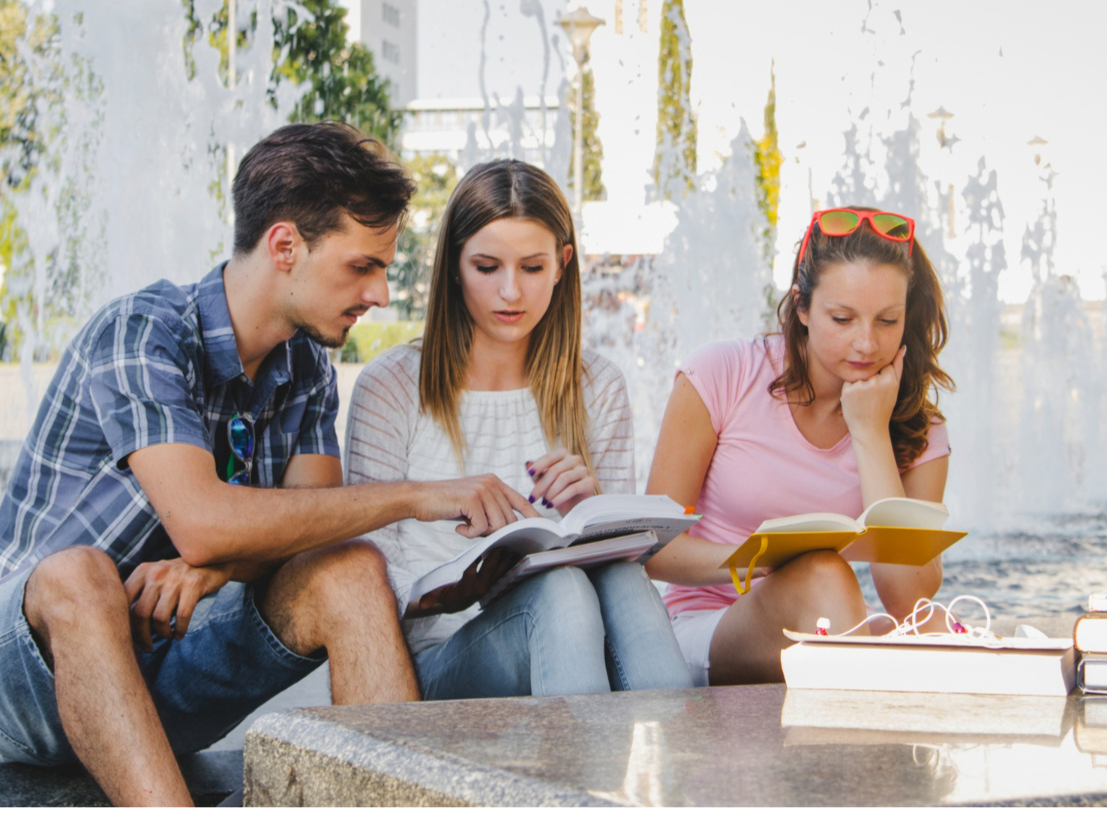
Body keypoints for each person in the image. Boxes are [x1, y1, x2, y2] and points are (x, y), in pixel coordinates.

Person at [0, 123, 538, 806]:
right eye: (363, 266)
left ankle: (395, 815)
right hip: (23, 674)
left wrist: (213, 566)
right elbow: (204, 522)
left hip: (163, 658)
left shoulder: (306, 366)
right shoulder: (141, 332)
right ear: (285, 246)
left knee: (350, 569)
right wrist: (417, 495)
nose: (380, 295)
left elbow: (313, 531)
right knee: (80, 574)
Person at [344, 160, 691, 699]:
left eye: (532, 268)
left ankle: (670, 767)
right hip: (438, 660)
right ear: (455, 266)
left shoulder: (598, 384)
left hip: (570, 651)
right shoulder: (392, 387)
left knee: (620, 578)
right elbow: (362, 588)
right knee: (559, 590)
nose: (511, 292)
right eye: (487, 267)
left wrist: (591, 509)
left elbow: (628, 572)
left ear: (562, 265)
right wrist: (461, 589)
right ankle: (585, 781)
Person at [643, 207, 955, 686]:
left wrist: (870, 433)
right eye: (843, 318)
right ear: (802, 307)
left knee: (928, 625)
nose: (866, 343)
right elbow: (656, 549)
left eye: (887, 321)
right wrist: (764, 561)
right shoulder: (722, 373)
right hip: (708, 629)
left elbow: (907, 597)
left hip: (829, 626)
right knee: (822, 574)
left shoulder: (920, 428)